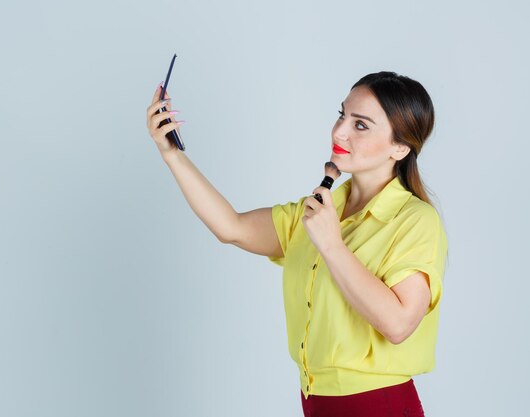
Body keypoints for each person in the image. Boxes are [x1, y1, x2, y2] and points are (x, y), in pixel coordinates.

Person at [145, 71, 448, 417]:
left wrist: (332, 245)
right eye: (341, 115)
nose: (339, 132)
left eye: (360, 125)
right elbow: (231, 227)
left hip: (378, 406)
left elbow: (398, 325)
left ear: (400, 146)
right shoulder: (320, 212)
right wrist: (171, 153)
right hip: (315, 404)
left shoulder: (415, 220)